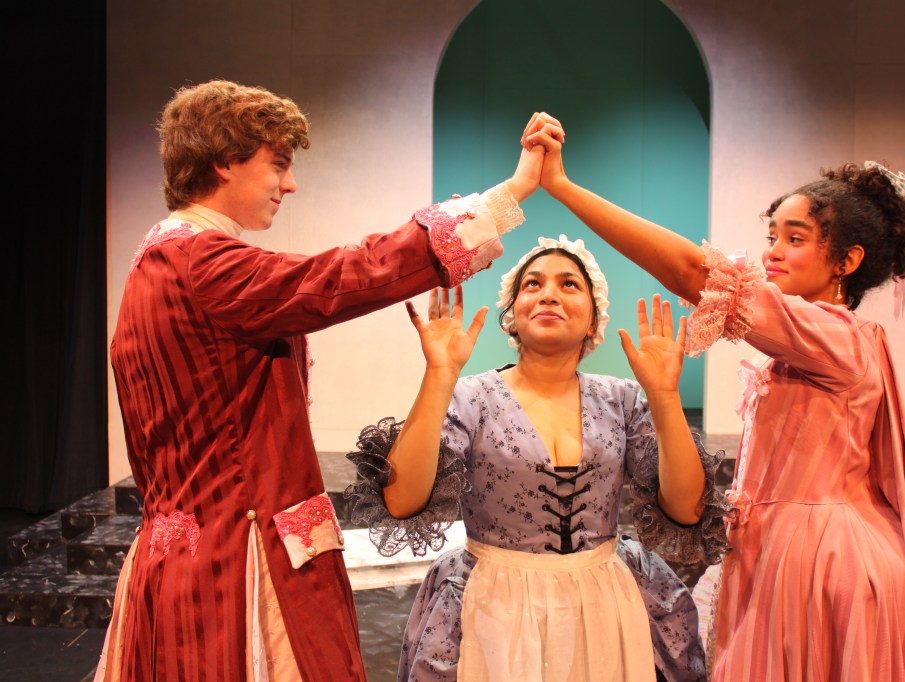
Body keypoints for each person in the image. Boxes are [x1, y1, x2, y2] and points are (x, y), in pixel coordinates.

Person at [94, 80, 561, 682]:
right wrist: (509, 194)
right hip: (236, 566)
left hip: (178, 561)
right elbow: (347, 275)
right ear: (225, 160)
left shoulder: (154, 262)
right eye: (278, 164)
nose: (289, 184)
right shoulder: (200, 264)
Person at [534, 113, 905, 680]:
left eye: (795, 239)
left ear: (847, 261)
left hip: (813, 559)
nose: (772, 252)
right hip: (782, 547)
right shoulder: (818, 337)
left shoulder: (838, 336)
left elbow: (690, 270)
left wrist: (563, 187)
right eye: (772, 236)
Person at [346, 234, 730, 681]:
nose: (548, 293)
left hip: (606, 604)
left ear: (594, 318)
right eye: (533, 283)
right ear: (512, 314)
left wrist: (664, 394)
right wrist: (439, 376)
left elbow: (687, 510)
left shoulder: (622, 399)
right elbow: (401, 503)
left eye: (569, 284)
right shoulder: (471, 398)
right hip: (493, 606)